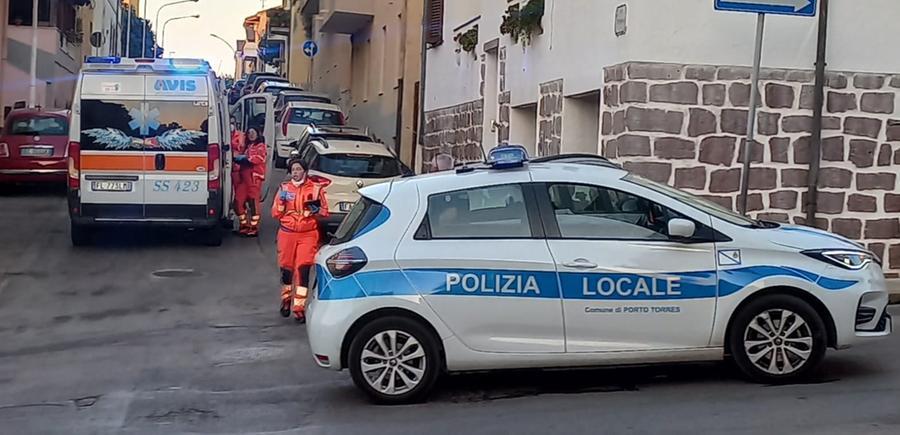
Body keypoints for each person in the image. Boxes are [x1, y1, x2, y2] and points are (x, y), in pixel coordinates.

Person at [272, 159, 329, 322]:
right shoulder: (284, 188)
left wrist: (316, 210)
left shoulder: (316, 189)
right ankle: (286, 300)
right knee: (287, 270)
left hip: (308, 234)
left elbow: (325, 212)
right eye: (293, 170)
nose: (295, 172)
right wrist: (281, 202)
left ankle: (299, 308)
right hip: (287, 233)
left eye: (298, 169)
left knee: (303, 270)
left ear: (305, 171)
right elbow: (275, 214)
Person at [233, 127, 267, 237]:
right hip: (244, 178)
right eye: (249, 133)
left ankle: (253, 227)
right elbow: (236, 147)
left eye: (253, 132)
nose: (251, 135)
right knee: (238, 202)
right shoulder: (247, 146)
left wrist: (245, 159)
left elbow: (259, 158)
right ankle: (244, 225)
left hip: (253, 178)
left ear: (258, 133)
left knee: (253, 203)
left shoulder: (261, 146)